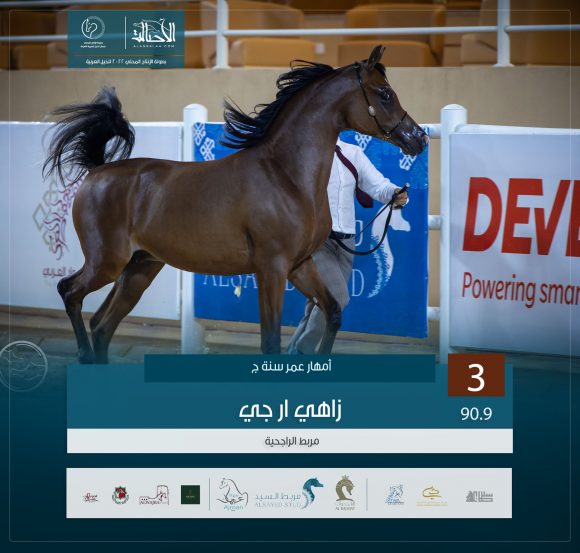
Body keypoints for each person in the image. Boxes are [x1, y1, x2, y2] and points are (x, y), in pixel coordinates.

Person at [286, 137, 408, 355]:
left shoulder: (353, 153)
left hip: (346, 243)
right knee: (337, 299)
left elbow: (378, 185)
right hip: (316, 241)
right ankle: (302, 354)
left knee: (319, 303)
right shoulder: (304, 152)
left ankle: (293, 354)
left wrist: (395, 193)